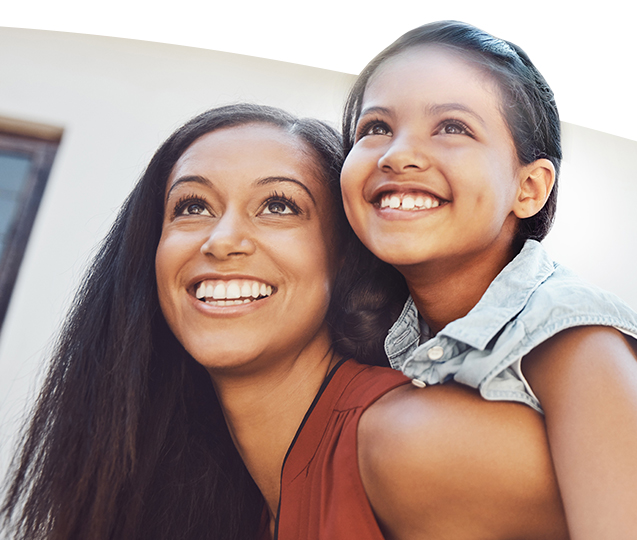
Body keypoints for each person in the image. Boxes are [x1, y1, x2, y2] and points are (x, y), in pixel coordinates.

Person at [1, 103, 572, 540]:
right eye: (192, 206)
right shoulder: (219, 491)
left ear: (344, 258)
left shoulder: (405, 440)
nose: (222, 241)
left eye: (279, 206)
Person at [340, 20, 637, 540]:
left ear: (529, 188)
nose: (397, 154)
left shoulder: (568, 332)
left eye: (452, 127)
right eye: (375, 127)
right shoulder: (386, 337)